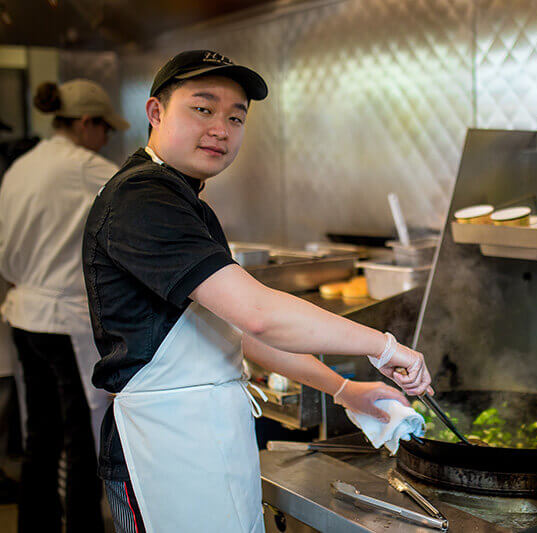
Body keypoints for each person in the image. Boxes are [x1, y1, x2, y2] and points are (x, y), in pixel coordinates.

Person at [82, 50, 432, 533]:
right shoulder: (141, 198)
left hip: (201, 441)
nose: (221, 129)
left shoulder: (183, 200)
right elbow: (259, 315)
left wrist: (346, 389)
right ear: (155, 112)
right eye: (202, 109)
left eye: (235, 116)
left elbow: (239, 333)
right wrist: (384, 347)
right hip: (163, 448)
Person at [0, 79, 129, 532]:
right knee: (80, 439)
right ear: (88, 123)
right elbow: (141, 200)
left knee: (41, 434)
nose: (107, 139)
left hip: (23, 317)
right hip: (61, 321)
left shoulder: (21, 166)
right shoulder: (85, 167)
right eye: (105, 129)